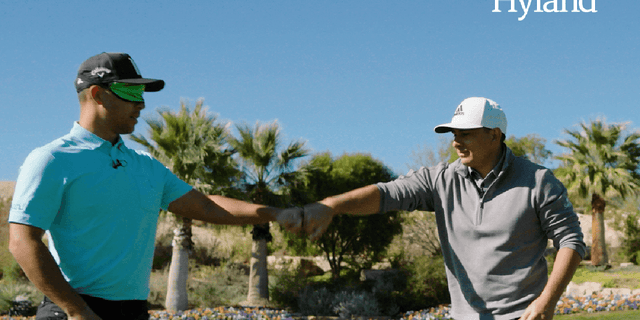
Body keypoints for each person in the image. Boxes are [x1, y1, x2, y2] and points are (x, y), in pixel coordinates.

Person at [8, 52, 303, 320]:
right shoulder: (51, 159)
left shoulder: (145, 165)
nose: (142, 104)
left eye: (142, 93)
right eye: (131, 92)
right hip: (71, 310)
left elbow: (204, 205)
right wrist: (76, 310)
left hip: (134, 311)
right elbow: (22, 241)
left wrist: (275, 214)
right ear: (98, 94)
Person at [301, 97, 586, 320]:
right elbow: (387, 194)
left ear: (495, 135)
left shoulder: (537, 181)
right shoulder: (439, 180)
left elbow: (571, 241)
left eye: (466, 133)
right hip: (465, 316)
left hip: (523, 315)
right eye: (453, 134)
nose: (456, 142)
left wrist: (546, 300)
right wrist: (332, 206)